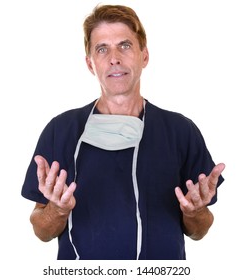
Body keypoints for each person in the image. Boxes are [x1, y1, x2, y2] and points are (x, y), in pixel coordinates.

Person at [21, 4, 225, 260]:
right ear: (90, 63)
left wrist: (195, 213)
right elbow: (42, 231)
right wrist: (58, 210)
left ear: (144, 55)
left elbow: (199, 231)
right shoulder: (60, 130)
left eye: (125, 45)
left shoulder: (181, 131)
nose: (114, 58)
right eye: (102, 48)